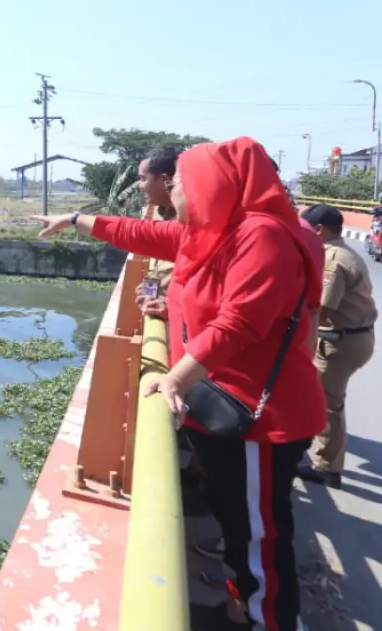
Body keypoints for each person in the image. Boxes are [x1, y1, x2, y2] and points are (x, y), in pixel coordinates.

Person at [34, 136, 325, 631]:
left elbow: (239, 323)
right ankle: (241, 604)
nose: (175, 193)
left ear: (216, 183)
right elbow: (144, 235)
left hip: (260, 416)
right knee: (238, 523)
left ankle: (268, 619)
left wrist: (176, 375)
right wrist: (79, 220)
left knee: (258, 535)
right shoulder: (219, 231)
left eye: (182, 183)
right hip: (227, 403)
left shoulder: (261, 236)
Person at [297, 204, 378, 488]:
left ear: (319, 230)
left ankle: (326, 467)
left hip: (341, 341)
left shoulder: (332, 258)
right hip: (352, 337)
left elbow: (321, 308)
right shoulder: (341, 252)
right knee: (328, 397)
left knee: (327, 402)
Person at [136, 147, 179, 319]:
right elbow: (164, 268)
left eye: (143, 178)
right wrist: (149, 289)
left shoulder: (189, 222)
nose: (140, 185)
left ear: (164, 180)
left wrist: (175, 308)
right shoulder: (164, 214)